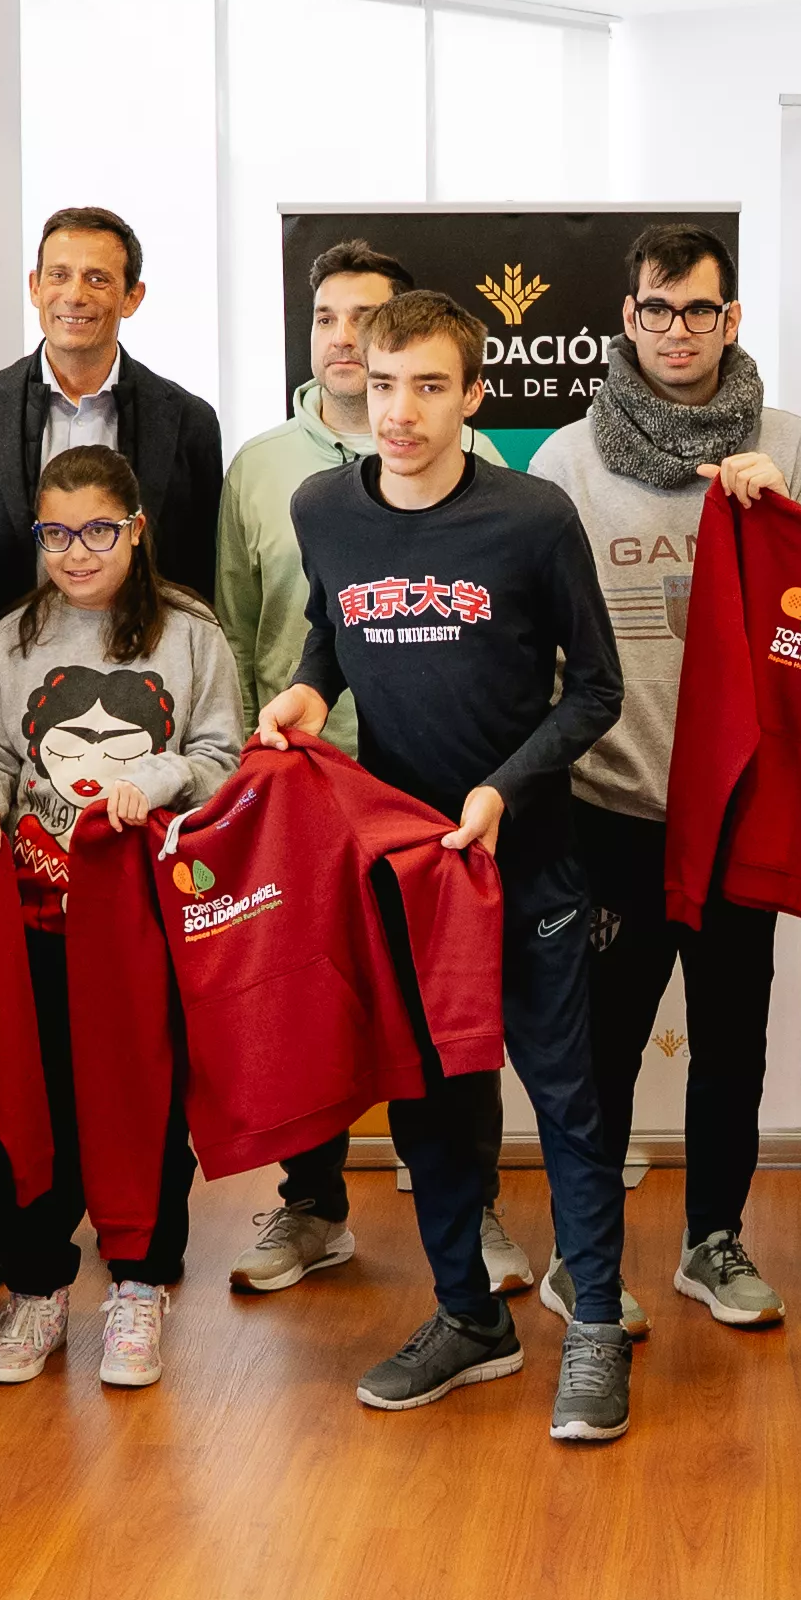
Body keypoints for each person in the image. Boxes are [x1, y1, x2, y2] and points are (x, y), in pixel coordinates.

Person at [255, 291, 631, 1444]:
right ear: (351, 384)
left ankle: (600, 1334)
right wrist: (315, 688)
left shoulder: (531, 518)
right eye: (381, 385)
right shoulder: (324, 507)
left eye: (428, 387)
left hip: (530, 865)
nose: (401, 413)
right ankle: (469, 1319)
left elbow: (598, 690)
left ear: (475, 397)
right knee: (430, 1110)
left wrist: (501, 789)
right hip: (408, 873)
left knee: (567, 1108)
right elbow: (335, 630)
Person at [528, 221, 801, 1339]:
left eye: (698, 310)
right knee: (601, 1044)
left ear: (731, 319)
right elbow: (541, 644)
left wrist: (784, 520)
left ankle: (714, 1240)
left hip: (740, 803)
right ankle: (583, 1251)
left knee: (734, 1035)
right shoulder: (564, 460)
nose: (675, 331)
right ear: (627, 318)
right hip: (610, 803)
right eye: (655, 310)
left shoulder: (793, 449)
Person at [214, 240, 518, 1298]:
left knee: (445, 1014)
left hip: (429, 796)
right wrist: (247, 772)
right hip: (304, 790)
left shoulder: (496, 484)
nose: (346, 341)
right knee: (311, 1003)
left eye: (369, 322)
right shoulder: (261, 468)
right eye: (327, 320)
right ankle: (313, 1205)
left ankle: (468, 1206)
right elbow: (243, 624)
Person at [0, 447, 247, 1388]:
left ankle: (140, 1287)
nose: (78, 554)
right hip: (36, 912)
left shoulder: (190, 632)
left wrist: (151, 778)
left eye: (99, 532)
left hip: (143, 918)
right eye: (58, 534)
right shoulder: (14, 637)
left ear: (137, 530)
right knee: (38, 1105)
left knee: (141, 1102)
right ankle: (37, 1294)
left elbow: (222, 758)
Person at [0, 205, 227, 624]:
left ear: (132, 297)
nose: (75, 295)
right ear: (35, 287)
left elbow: (202, 579)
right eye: (59, 275)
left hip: (147, 672)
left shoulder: (189, 423)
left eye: (97, 279)